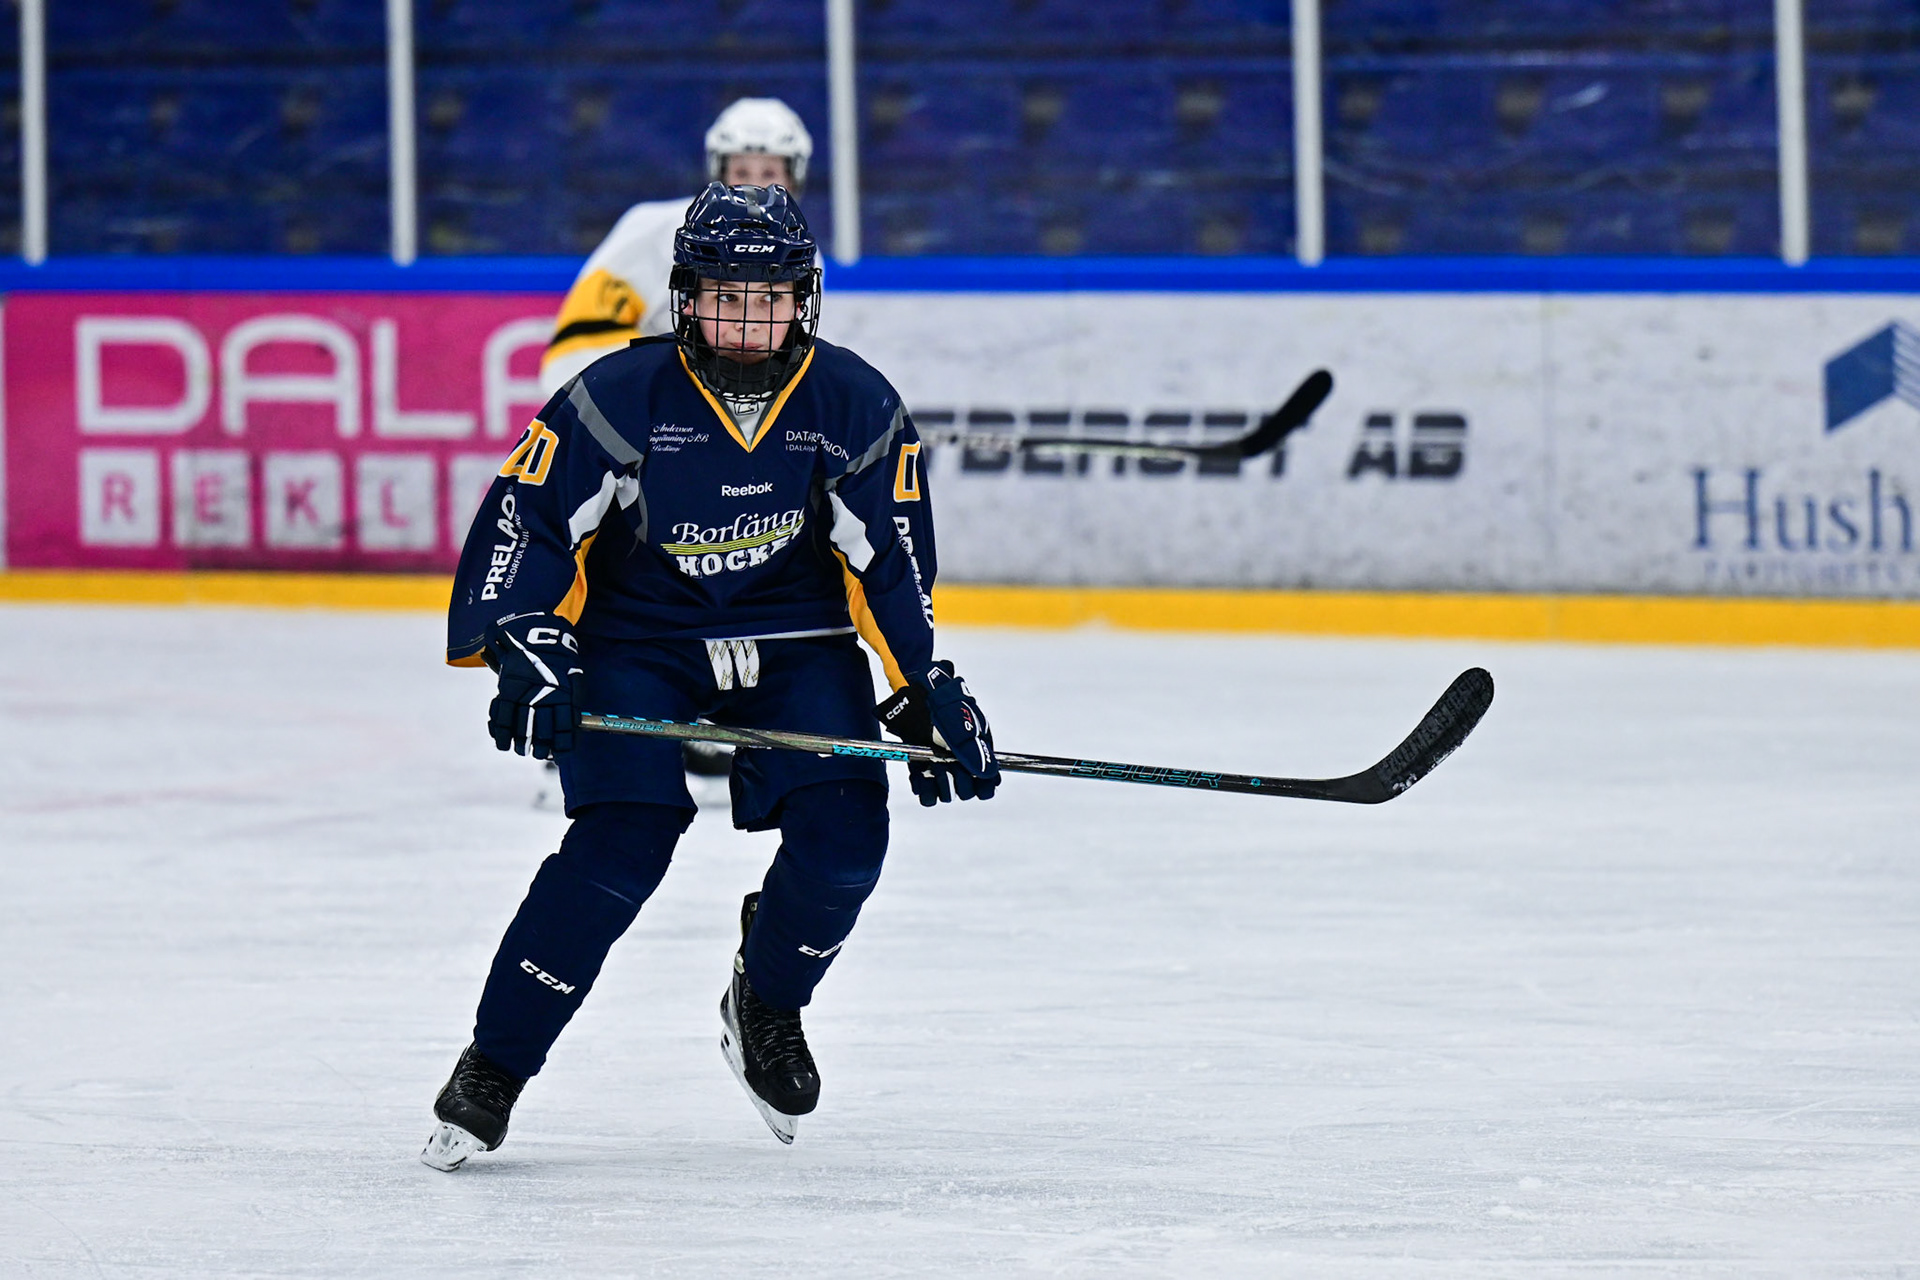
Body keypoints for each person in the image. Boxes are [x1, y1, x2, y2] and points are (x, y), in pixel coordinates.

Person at [422, 183, 1001, 1171]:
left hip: (797, 635)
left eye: (767, 298)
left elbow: (888, 562)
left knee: (848, 838)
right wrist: (522, 634)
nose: (746, 321)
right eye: (726, 297)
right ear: (686, 298)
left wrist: (922, 682)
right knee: (621, 839)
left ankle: (766, 999)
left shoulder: (854, 403)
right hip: (638, 639)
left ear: (802, 299)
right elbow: (533, 519)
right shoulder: (618, 395)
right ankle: (495, 1064)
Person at [537, 96, 815, 794]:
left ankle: (697, 719)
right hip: (636, 443)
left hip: (721, 450)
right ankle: (577, 722)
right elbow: (574, 344)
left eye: (771, 171)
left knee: (734, 568)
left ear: (796, 176)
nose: (756, 184)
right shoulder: (654, 229)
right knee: (613, 582)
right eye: (743, 169)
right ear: (717, 169)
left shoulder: (802, 256)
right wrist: (640, 418)